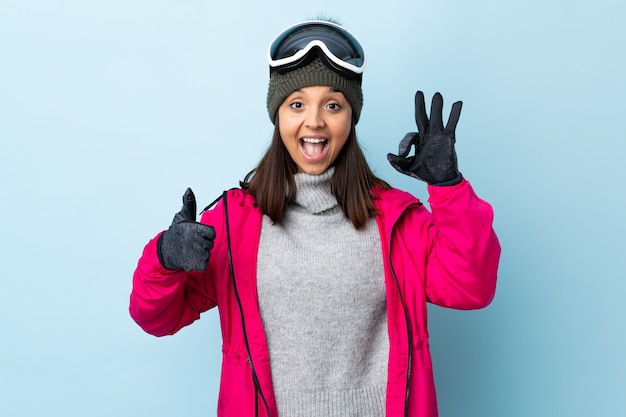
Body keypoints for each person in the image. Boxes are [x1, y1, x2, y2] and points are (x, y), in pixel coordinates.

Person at [129, 19, 501, 417]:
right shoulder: (232, 225)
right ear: (278, 117)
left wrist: (449, 188)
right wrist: (166, 258)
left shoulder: (398, 222)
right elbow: (156, 318)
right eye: (297, 104)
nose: (315, 121)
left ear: (350, 118)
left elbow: (471, 288)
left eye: (333, 105)